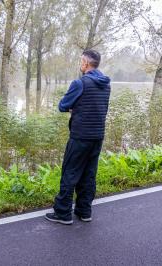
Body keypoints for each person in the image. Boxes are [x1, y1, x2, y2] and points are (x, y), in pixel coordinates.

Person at [45, 49, 111, 225]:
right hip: (97, 136)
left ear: (86, 63)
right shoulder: (106, 84)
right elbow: (98, 107)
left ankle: (63, 213)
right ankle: (84, 211)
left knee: (70, 173)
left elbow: (62, 105)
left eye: (81, 61)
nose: (80, 64)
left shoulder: (80, 83)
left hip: (80, 136)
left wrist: (74, 108)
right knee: (89, 175)